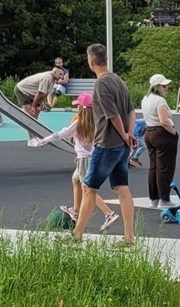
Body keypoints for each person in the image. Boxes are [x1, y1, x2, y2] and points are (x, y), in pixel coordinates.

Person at [73, 44, 136, 244]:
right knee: (121, 188)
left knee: (88, 188)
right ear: (106, 59)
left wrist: (124, 135)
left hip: (106, 144)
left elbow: (113, 116)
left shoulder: (101, 84)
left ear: (91, 62)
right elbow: (131, 111)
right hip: (122, 146)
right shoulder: (119, 81)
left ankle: (77, 235)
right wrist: (129, 134)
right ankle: (128, 237)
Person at [29, 91, 117, 230]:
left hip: (84, 160)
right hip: (93, 157)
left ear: (81, 108)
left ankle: (108, 213)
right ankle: (76, 210)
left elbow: (60, 134)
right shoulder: (97, 122)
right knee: (76, 179)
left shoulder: (78, 123)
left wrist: (43, 141)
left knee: (88, 189)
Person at [140, 73, 179, 207]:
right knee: (165, 168)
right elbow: (164, 121)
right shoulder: (160, 101)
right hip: (163, 134)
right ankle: (164, 199)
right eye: (164, 86)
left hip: (149, 132)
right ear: (157, 87)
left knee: (154, 167)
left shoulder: (145, 99)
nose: (166, 88)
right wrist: (174, 132)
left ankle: (154, 198)